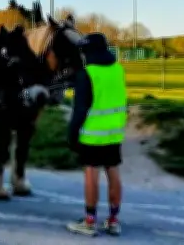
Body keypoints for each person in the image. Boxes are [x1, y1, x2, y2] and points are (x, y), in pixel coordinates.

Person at [66, 33, 127, 237]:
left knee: (91, 173)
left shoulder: (87, 74)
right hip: (114, 132)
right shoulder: (118, 69)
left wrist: (72, 135)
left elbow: (80, 111)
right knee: (113, 171)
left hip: (93, 134)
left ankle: (90, 221)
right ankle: (113, 220)